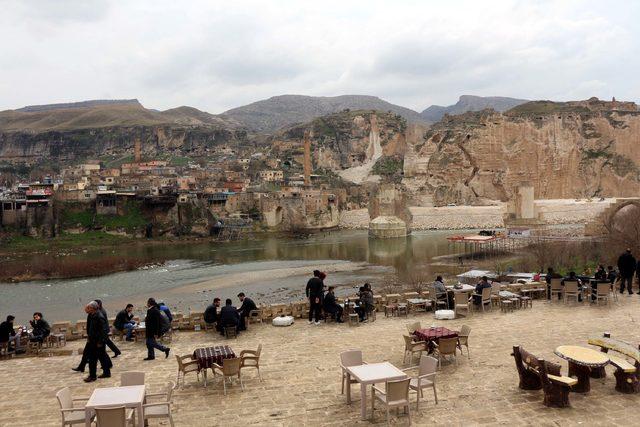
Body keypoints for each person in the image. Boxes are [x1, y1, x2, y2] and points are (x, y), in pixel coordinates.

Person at [83, 301, 112, 382]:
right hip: (93, 341)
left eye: (89, 307)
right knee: (99, 358)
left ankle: (93, 376)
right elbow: (92, 329)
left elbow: (103, 330)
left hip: (98, 342)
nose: (87, 309)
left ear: (92, 308)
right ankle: (106, 373)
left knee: (94, 359)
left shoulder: (99, 316)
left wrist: (100, 342)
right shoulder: (93, 315)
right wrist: (89, 337)